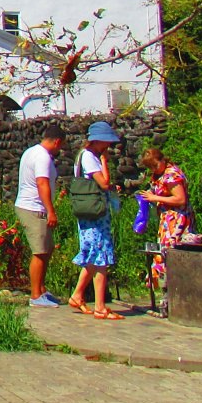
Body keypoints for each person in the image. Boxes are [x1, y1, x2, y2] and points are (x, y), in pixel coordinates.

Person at [69, 121, 122, 319]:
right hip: (95, 214)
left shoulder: (83, 156)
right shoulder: (91, 158)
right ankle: (99, 306)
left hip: (91, 211)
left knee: (94, 256)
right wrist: (105, 161)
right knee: (100, 255)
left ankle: (78, 295)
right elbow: (104, 183)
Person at [15, 129, 64, 307]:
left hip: (33, 206)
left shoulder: (31, 151)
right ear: (57, 141)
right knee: (40, 252)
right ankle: (35, 295)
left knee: (47, 248)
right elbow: (41, 183)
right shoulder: (42, 156)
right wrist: (50, 210)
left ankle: (41, 289)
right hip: (34, 207)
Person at [138, 147, 193, 301]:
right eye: (150, 167)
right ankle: (167, 293)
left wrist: (156, 199)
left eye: (155, 165)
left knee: (173, 253)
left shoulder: (171, 175)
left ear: (162, 159)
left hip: (177, 220)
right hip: (167, 220)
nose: (153, 169)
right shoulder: (159, 174)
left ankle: (178, 293)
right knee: (164, 254)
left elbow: (180, 199)